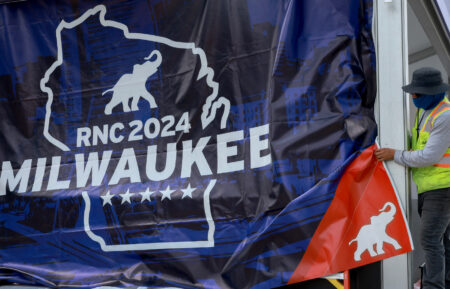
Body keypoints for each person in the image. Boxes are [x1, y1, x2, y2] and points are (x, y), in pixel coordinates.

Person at [375, 67, 450, 289]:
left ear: (433, 92)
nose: (413, 97)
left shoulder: (445, 116)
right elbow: (418, 144)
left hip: (442, 188)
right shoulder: (427, 110)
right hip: (429, 187)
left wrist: (394, 154)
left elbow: (428, 156)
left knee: (430, 239)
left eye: (416, 94)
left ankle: (433, 286)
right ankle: (443, 282)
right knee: (442, 240)